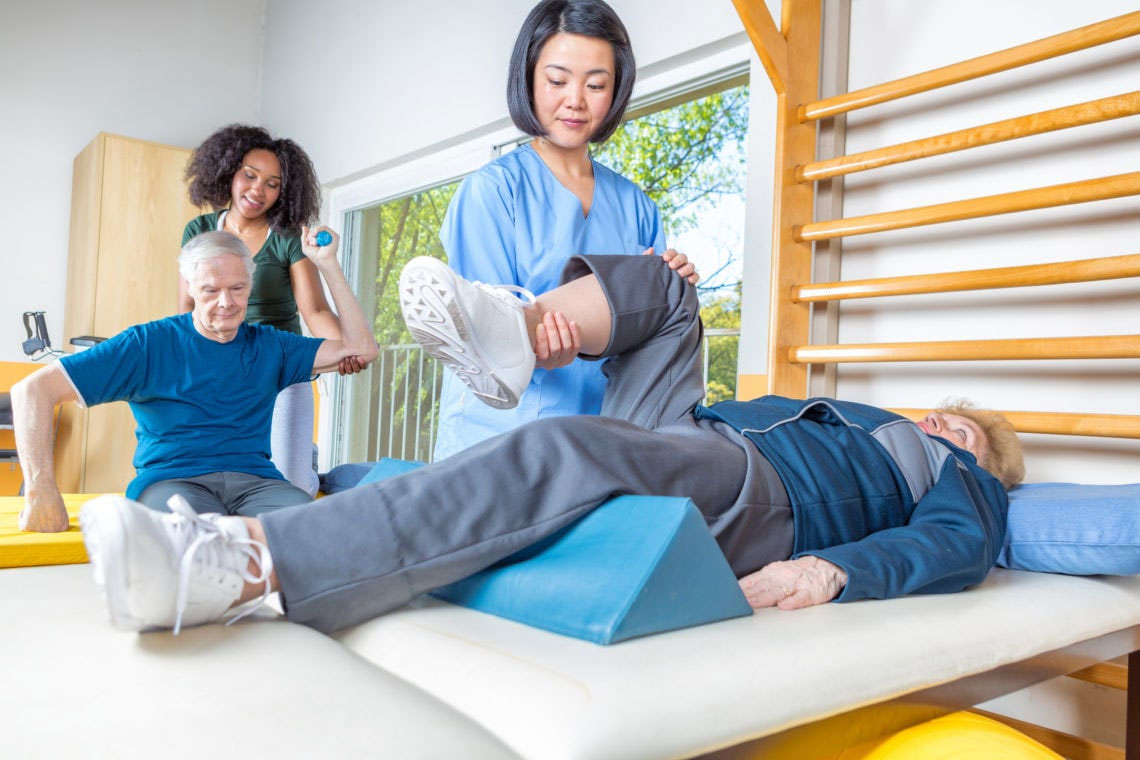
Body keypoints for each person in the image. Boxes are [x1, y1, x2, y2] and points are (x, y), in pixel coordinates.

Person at [78, 254, 1024, 635]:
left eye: (965, 428)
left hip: (771, 493)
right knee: (670, 287)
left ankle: (242, 567)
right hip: (707, 438)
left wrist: (834, 572)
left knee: (571, 450)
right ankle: (515, 333)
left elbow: (955, 546)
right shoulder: (858, 411)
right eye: (946, 414)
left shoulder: (961, 476)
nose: (946, 425)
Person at [432, 0, 700, 458]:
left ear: (616, 92)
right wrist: (533, 346)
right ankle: (520, 331)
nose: (575, 99)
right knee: (496, 326)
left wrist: (672, 278)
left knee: (665, 293)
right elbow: (477, 344)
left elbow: (642, 334)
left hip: (604, 437)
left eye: (596, 84)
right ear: (529, 79)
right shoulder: (492, 192)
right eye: (557, 81)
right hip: (499, 437)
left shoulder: (637, 206)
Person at [13, 230, 378, 533]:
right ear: (189, 287)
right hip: (171, 483)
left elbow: (362, 349)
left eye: (237, 288)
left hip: (257, 484)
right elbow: (32, 390)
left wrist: (327, 263)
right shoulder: (146, 344)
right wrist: (41, 492)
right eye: (210, 290)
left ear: (251, 283)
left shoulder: (272, 345)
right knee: (199, 541)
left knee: (324, 530)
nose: (226, 302)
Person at [181, 124, 369, 495]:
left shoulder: (286, 236)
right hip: (220, 369)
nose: (258, 190)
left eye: (273, 183)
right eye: (250, 176)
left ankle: (308, 464)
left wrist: (346, 347)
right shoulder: (199, 231)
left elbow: (314, 311)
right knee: (218, 478)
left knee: (294, 485)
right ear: (229, 172)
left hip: (279, 366)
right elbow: (188, 308)